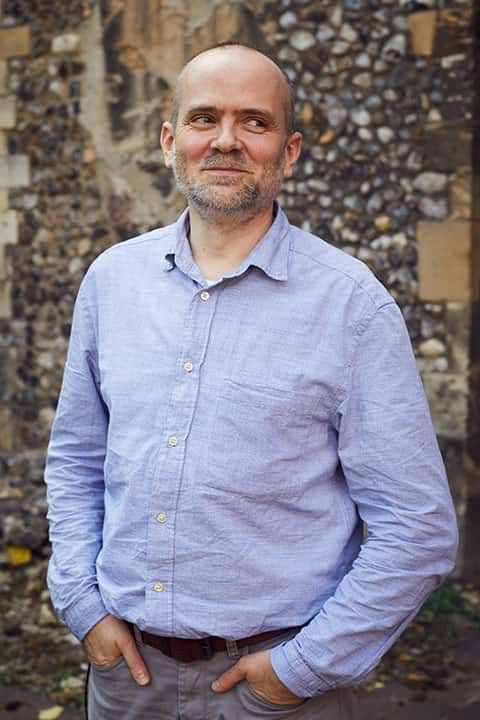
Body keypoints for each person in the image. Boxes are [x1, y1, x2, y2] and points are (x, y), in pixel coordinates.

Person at [45, 42, 458, 719]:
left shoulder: (351, 305)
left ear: (289, 151)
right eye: (205, 118)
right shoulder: (111, 283)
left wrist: (300, 670)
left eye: (255, 122)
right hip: (124, 681)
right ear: (170, 140)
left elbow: (416, 528)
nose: (226, 141)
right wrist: (83, 608)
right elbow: (77, 461)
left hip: (274, 692)